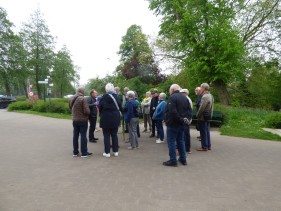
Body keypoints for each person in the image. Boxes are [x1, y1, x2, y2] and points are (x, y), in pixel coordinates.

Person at [163, 84, 192, 167]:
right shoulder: (185, 98)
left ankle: (173, 160)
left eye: (169, 90)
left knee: (171, 141)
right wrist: (186, 119)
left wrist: (180, 119)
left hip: (173, 123)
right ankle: (183, 159)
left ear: (172, 89)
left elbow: (172, 111)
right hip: (182, 124)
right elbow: (190, 110)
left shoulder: (172, 97)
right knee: (181, 141)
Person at [99, 83, 122, 158]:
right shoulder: (117, 97)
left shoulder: (103, 97)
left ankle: (107, 152)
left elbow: (100, 107)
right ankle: (116, 151)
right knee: (114, 135)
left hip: (105, 119)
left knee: (106, 136)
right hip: (115, 118)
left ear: (106, 89)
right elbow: (120, 106)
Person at [69, 87, 92, 158]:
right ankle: (84, 153)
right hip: (83, 120)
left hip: (75, 120)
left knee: (75, 136)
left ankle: (75, 152)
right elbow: (87, 111)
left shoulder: (71, 98)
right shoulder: (83, 99)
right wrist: (89, 112)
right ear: (82, 92)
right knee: (83, 136)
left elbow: (70, 108)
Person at [196, 83, 214, 151]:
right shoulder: (211, 96)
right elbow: (212, 108)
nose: (200, 89)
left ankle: (204, 147)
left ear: (203, 88)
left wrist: (197, 115)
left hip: (203, 117)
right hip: (208, 116)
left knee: (203, 132)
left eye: (200, 88)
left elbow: (201, 108)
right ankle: (208, 145)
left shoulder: (205, 96)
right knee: (207, 131)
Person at [180, 89, 193, 153]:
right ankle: (187, 148)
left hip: (186, 119)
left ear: (185, 93)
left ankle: (186, 149)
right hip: (187, 119)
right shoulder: (187, 99)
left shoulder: (186, 99)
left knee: (185, 134)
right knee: (186, 134)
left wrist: (187, 119)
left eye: (181, 93)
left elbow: (189, 110)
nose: (180, 94)